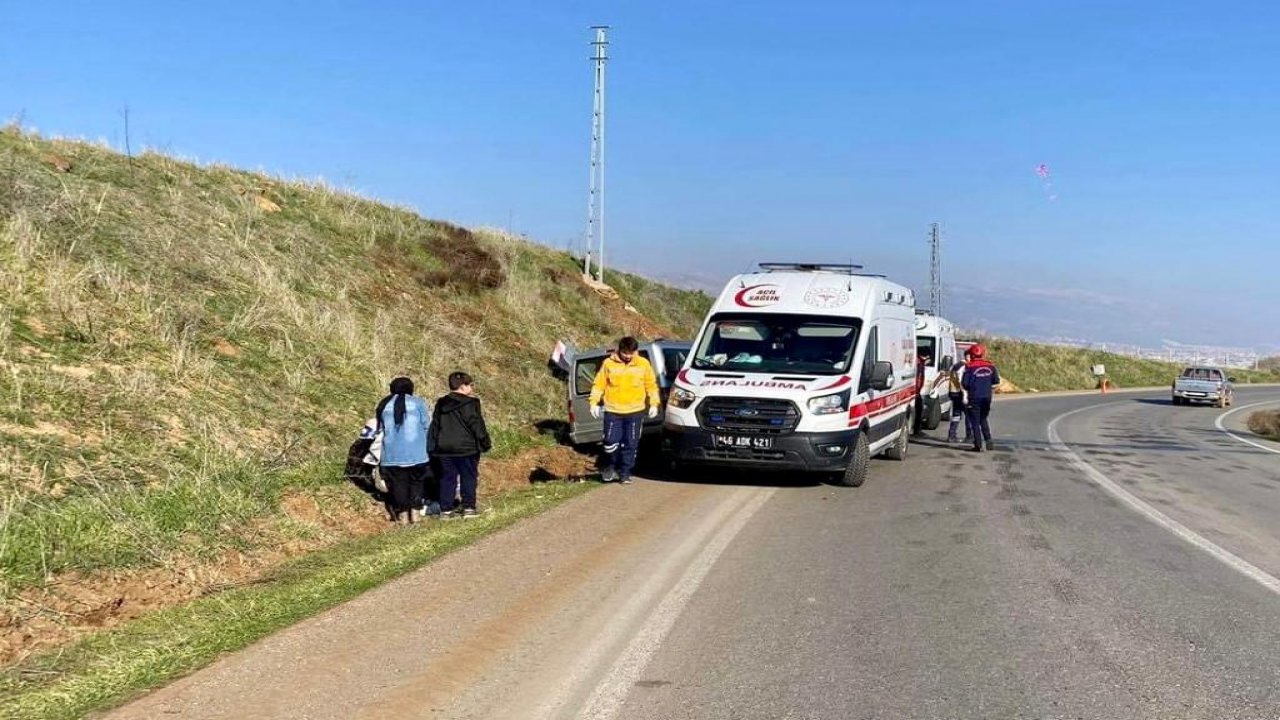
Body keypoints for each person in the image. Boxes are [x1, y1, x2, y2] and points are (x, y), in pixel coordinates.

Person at [588, 336, 660, 484]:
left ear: (636, 351)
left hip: (635, 411)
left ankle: (625, 472)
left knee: (630, 443)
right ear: (619, 350)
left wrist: (654, 404)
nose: (627, 356)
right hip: (613, 410)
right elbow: (599, 384)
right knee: (609, 442)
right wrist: (593, 402)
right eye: (625, 353)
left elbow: (651, 386)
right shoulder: (608, 364)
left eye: (631, 353)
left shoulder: (643, 364)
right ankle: (609, 465)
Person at [428, 371, 492, 519]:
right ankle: (468, 507)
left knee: (447, 478)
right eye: (469, 384)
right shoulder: (471, 403)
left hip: (444, 447)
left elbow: (435, 425)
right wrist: (485, 441)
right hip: (466, 447)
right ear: (463, 387)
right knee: (468, 477)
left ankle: (446, 510)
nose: (471, 387)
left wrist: (434, 445)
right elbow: (476, 424)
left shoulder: (441, 403)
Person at [375, 377, 432, 524]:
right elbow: (427, 426)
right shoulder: (418, 403)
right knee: (417, 483)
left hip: (392, 454)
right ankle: (416, 514)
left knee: (398, 485)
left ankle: (403, 517)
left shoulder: (383, 404)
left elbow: (379, 429)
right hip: (417, 453)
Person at [961, 344, 1000, 452]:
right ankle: (988, 440)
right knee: (983, 418)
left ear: (972, 354)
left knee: (974, 421)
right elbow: (996, 381)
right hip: (987, 397)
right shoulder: (990, 366)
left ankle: (978, 444)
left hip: (974, 397)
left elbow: (965, 384)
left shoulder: (969, 367)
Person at [932, 352, 975, 444]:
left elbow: (944, 375)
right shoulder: (963, 366)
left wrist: (935, 387)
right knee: (969, 414)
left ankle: (952, 436)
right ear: (967, 356)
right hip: (960, 393)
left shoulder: (955, 365)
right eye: (971, 356)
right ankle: (969, 436)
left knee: (956, 415)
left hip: (953, 393)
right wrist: (965, 395)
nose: (971, 358)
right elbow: (960, 381)